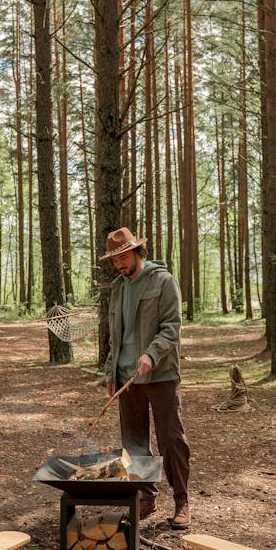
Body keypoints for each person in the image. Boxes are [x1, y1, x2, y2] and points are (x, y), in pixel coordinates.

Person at [101, 226, 191, 529]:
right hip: (127, 378)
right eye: (115, 261)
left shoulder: (163, 281)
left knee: (171, 439)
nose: (120, 264)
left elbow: (172, 327)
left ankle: (182, 500)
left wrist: (151, 354)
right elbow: (115, 336)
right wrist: (110, 371)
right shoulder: (118, 287)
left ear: (137, 252)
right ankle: (146, 495)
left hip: (161, 374)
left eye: (123, 257)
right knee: (134, 441)